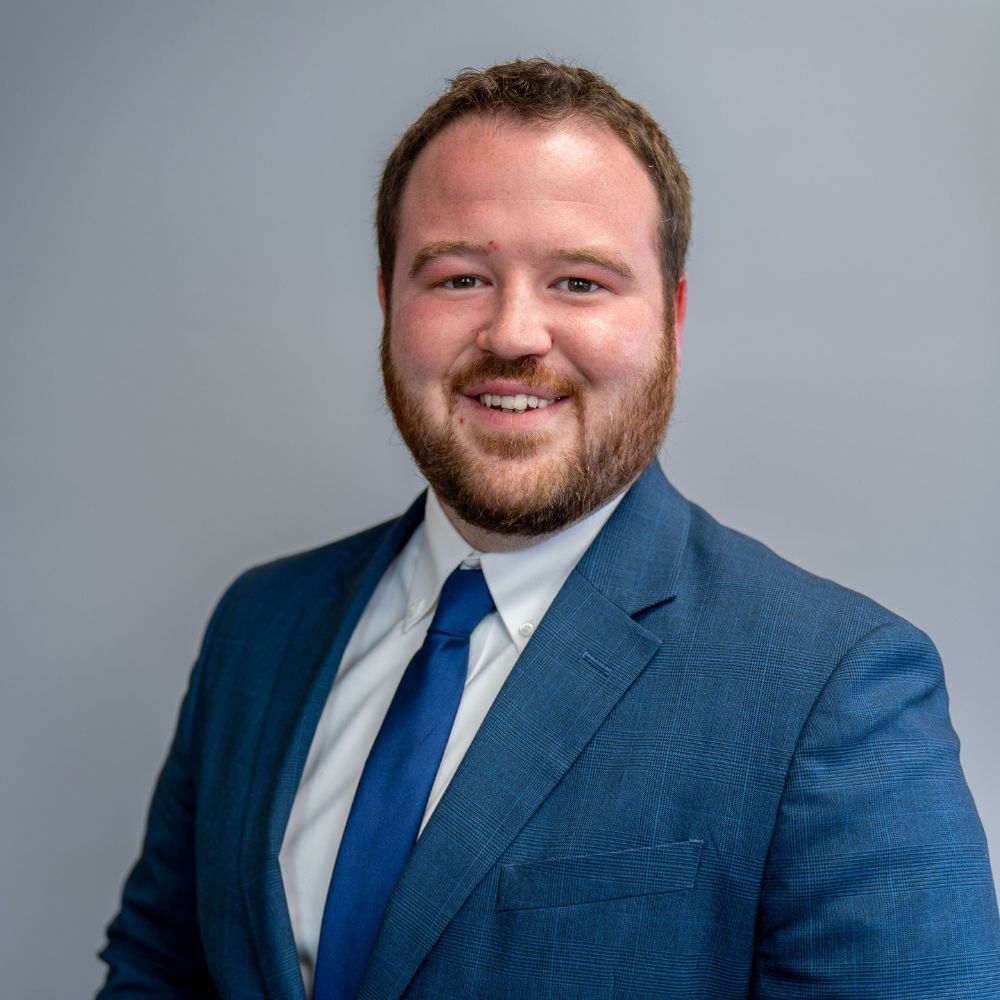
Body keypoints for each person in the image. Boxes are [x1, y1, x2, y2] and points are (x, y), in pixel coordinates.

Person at [98, 59, 1000, 999]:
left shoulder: (832, 687)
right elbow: (159, 968)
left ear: (672, 321)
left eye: (578, 282)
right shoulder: (261, 627)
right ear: (388, 307)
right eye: (458, 278)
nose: (513, 332)